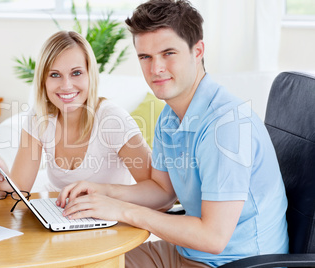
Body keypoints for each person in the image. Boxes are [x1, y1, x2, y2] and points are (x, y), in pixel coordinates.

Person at [56, 1, 289, 267]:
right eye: (145, 57)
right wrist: (103, 191)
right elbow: (163, 191)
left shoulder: (226, 127)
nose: (156, 69)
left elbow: (214, 238)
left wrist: (121, 209)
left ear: (197, 50)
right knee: (80, 261)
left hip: (232, 262)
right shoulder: (170, 116)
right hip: (187, 252)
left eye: (168, 53)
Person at [0, 31, 151, 193]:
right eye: (54, 75)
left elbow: (155, 192)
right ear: (43, 81)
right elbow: (17, 193)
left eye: (76, 73)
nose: (66, 85)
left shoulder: (113, 120)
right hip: (58, 212)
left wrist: (105, 197)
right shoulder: (39, 118)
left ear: (90, 75)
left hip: (109, 217)